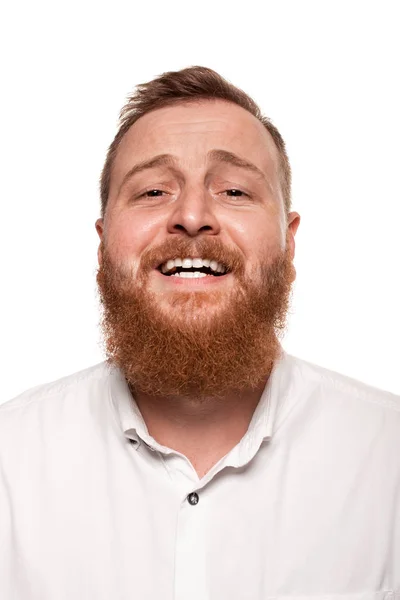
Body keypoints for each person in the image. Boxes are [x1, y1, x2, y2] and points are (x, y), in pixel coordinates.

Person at [0, 66, 399, 600]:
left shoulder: (387, 459)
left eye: (234, 189)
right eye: (153, 191)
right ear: (102, 245)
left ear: (289, 242)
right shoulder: (10, 459)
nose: (191, 215)